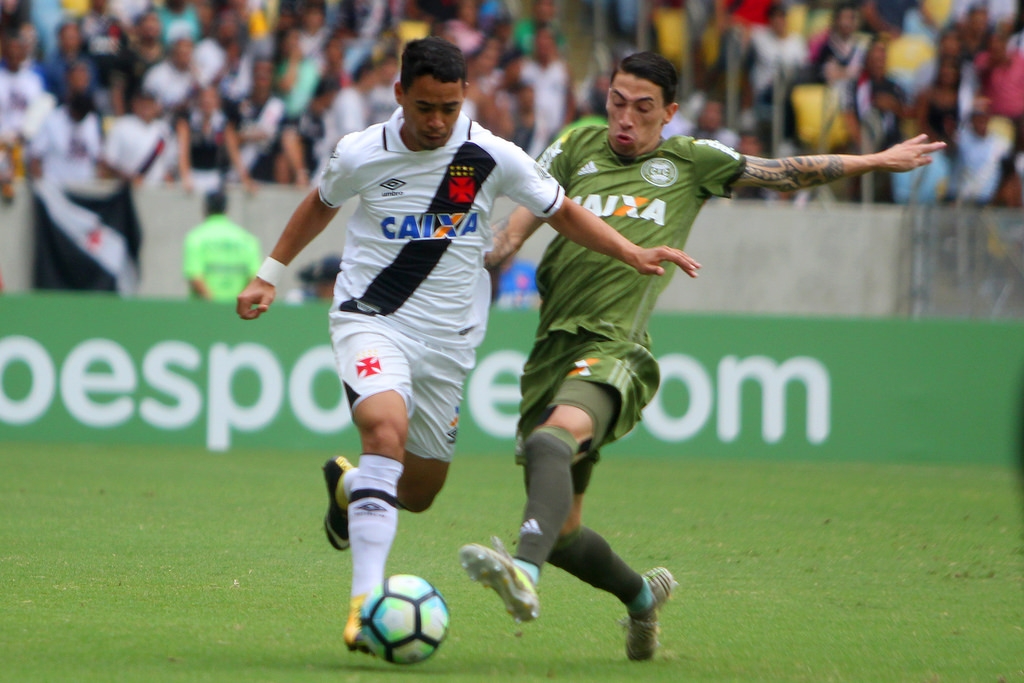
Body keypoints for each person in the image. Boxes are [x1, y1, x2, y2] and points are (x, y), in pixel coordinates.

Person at [458, 51, 945, 661]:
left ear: (669, 113)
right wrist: (479, 259)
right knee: (564, 529)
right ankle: (640, 600)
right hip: (550, 348)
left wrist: (876, 159)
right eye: (617, 102)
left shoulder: (690, 162)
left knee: (552, 442)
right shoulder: (576, 147)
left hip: (616, 347)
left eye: (643, 109)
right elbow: (519, 223)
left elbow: (784, 170)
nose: (626, 119)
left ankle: (522, 573)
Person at [234, 37, 698, 656]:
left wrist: (631, 250)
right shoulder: (359, 153)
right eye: (424, 107)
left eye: (449, 108)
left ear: (463, 100)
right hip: (371, 317)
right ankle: (363, 605)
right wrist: (269, 270)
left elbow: (561, 211)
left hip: (447, 344)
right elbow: (319, 205)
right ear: (399, 94)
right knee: (382, 432)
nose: (436, 122)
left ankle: (352, 489)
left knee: (419, 490)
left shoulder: (490, 155)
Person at [183, 191, 262, 302]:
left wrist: (214, 306)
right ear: (226, 208)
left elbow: (195, 276)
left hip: (203, 312)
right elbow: (253, 277)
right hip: (237, 313)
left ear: (205, 208)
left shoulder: (196, 238)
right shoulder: (247, 239)